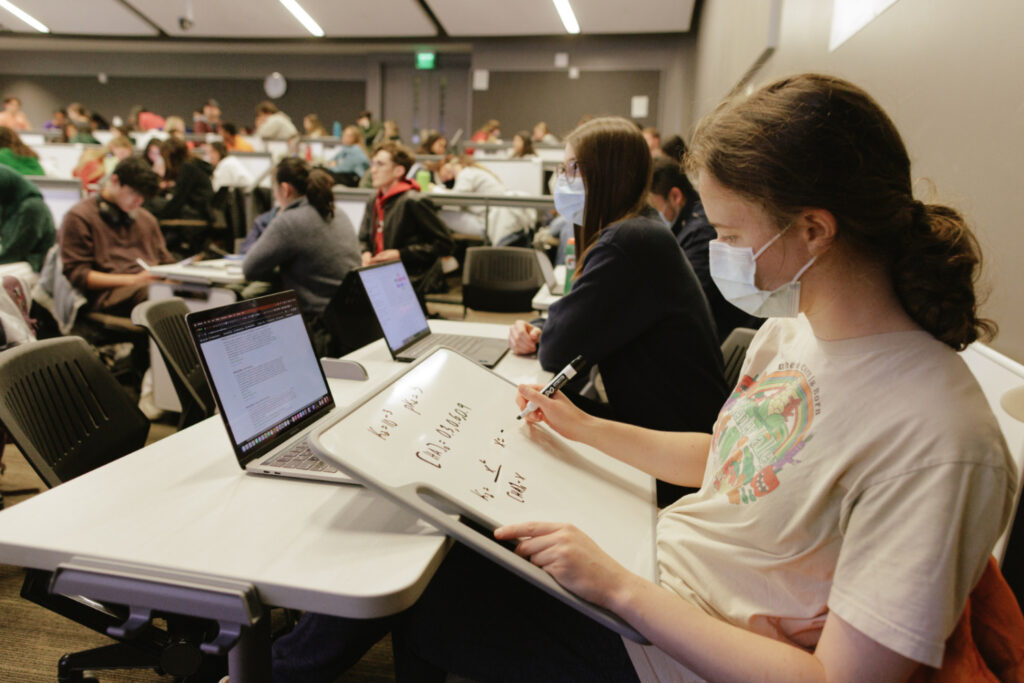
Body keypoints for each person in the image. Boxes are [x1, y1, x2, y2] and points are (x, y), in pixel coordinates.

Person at [273, 74, 1018, 683]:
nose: (716, 248)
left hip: (668, 645)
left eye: (728, 234)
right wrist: (585, 428)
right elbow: (729, 465)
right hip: (654, 576)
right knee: (435, 532)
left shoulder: (942, 438)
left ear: (814, 230)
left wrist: (617, 585)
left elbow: (838, 680)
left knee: (423, 583)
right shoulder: (792, 337)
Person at [508, 117, 727, 506]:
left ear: (602, 175)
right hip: (668, 435)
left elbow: (557, 350)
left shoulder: (629, 242)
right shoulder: (641, 228)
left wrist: (549, 331)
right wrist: (543, 326)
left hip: (668, 461)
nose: (562, 179)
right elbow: (586, 321)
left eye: (570, 169)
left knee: (517, 413)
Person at [243, 158, 360, 354]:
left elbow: (249, 268)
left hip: (319, 327)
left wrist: (281, 272)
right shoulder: (336, 212)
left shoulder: (289, 221)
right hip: (351, 322)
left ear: (285, 189)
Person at [650, 156, 761, 342]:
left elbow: (685, 297)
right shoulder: (688, 225)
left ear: (676, 196)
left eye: (654, 207)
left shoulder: (699, 231)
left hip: (719, 333)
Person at [60, 157, 172, 316]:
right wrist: (134, 280)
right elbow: (78, 274)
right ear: (114, 180)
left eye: (143, 198)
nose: (138, 202)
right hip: (110, 294)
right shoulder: (80, 217)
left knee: (199, 292)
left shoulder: (146, 219)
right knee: (157, 296)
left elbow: (166, 261)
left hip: (149, 286)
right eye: (134, 193)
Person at [359, 141, 453, 298]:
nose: (373, 170)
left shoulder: (413, 201)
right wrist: (365, 253)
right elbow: (363, 238)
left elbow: (445, 244)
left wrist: (401, 254)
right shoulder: (374, 200)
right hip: (377, 273)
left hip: (406, 277)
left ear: (398, 171)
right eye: (373, 163)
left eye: (380, 164)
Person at [435, 154, 508, 240]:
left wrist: (436, 189)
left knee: (436, 215)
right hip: (492, 222)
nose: (444, 177)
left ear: (449, 163)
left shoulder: (465, 174)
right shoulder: (472, 172)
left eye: (442, 169)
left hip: (485, 224)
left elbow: (456, 198)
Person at [0, 165, 56, 271]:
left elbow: (16, 252)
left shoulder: (32, 207)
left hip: (33, 265)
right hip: (16, 262)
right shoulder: (8, 202)